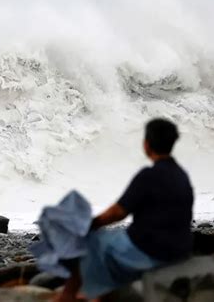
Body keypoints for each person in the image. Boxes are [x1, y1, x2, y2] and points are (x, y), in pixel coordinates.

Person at [57, 118, 194, 302]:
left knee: (89, 242)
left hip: (150, 250)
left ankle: (67, 298)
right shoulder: (181, 175)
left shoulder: (148, 176)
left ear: (147, 145)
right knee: (109, 245)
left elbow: (117, 213)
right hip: (179, 248)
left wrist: (90, 224)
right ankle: (101, 294)